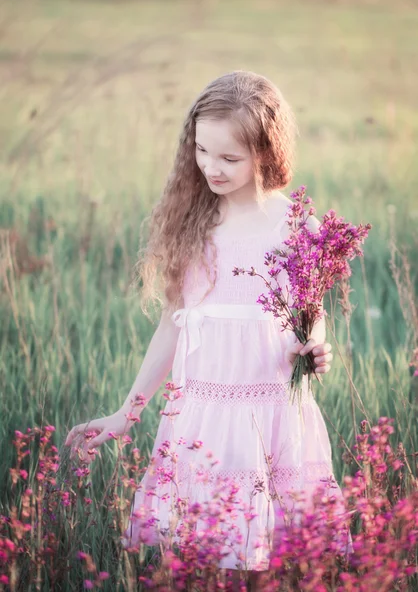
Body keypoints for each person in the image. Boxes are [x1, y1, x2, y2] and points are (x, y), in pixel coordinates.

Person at [65, 71, 352, 589]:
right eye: (201, 151)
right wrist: (126, 413)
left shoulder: (296, 225)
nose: (210, 168)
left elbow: (313, 312)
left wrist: (318, 345)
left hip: (272, 410)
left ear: (266, 151)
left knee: (278, 558)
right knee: (209, 557)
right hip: (204, 412)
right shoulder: (194, 223)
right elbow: (174, 328)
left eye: (229, 158)